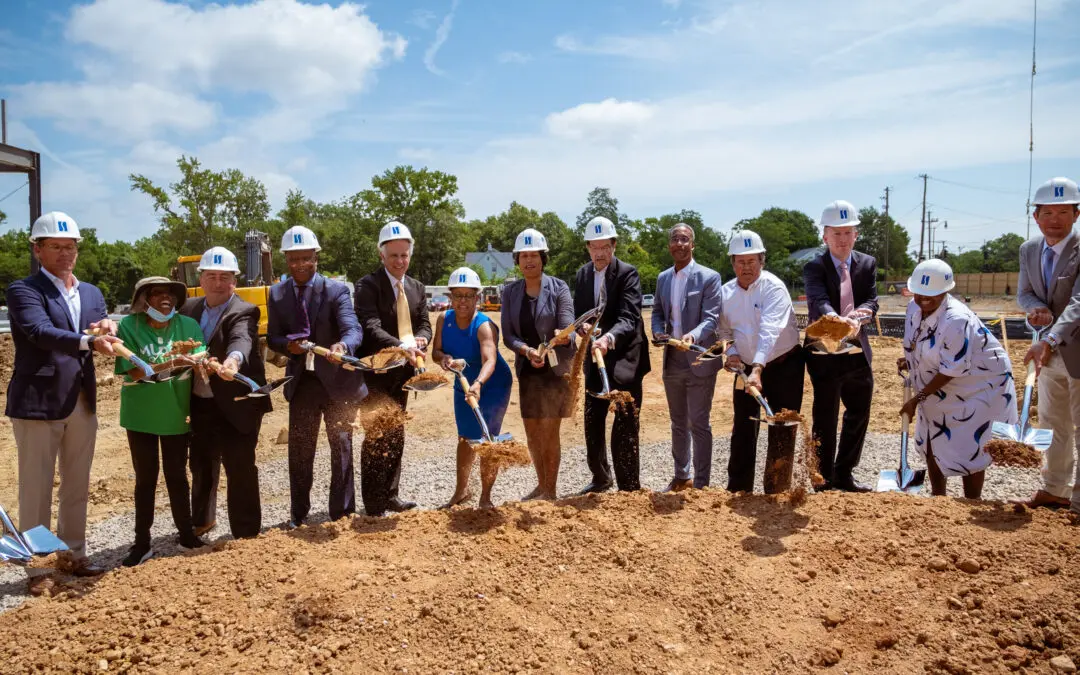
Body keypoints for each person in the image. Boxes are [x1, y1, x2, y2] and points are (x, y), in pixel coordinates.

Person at [6, 212, 121, 593]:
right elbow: (39, 331)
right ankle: (38, 570)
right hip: (39, 402)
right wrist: (89, 341)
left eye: (69, 247)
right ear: (38, 250)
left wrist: (108, 327)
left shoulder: (90, 292)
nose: (64, 253)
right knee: (36, 487)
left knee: (76, 483)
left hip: (81, 400)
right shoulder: (24, 290)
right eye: (54, 247)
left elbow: (100, 322)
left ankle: (73, 556)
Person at [267, 226, 366, 528]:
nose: (299, 265)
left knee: (342, 447)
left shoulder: (336, 291)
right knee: (300, 449)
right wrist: (288, 345)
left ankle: (342, 512)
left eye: (306, 258)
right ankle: (298, 514)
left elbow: (353, 328)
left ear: (316, 258)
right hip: (303, 384)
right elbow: (272, 337)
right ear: (286, 259)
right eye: (293, 259)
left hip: (337, 382)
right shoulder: (277, 293)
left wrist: (342, 346)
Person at [899, 259, 1017, 499]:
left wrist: (916, 400)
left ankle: (971, 500)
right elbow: (917, 340)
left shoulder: (956, 319)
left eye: (932, 295)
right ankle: (938, 499)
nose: (924, 300)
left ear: (946, 291)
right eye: (920, 293)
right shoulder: (913, 307)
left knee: (969, 442)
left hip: (979, 384)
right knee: (932, 433)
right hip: (940, 382)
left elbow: (951, 369)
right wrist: (909, 359)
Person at [115, 276, 207, 566]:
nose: (165, 299)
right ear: (143, 300)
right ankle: (142, 542)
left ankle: (186, 534)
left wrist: (201, 359)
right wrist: (172, 363)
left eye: (170, 294)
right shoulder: (129, 327)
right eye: (156, 294)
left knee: (177, 476)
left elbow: (200, 353)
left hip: (175, 412)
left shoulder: (188, 326)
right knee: (145, 479)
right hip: (141, 415)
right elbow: (134, 373)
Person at [181, 246, 271, 540]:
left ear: (235, 280)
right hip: (201, 403)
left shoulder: (243, 310)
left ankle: (245, 534)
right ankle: (202, 522)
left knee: (240, 465)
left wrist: (233, 361)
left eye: (225, 277)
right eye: (212, 276)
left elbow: (241, 339)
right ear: (201, 279)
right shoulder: (189, 309)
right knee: (201, 464)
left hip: (237, 404)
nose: (218, 283)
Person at [718, 230, 805, 493]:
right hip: (745, 368)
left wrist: (757, 369)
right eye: (741, 262)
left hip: (782, 365)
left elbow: (769, 331)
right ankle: (739, 488)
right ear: (733, 263)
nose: (747, 267)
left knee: (781, 426)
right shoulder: (725, 293)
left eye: (752, 261)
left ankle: (776, 490)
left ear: (762, 260)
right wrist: (731, 352)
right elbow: (723, 331)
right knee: (743, 427)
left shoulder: (774, 288)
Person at [354, 221, 432, 516]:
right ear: (381, 255)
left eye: (405, 256)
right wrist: (401, 345)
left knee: (396, 433)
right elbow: (370, 327)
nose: (400, 262)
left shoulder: (416, 288)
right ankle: (373, 504)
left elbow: (423, 322)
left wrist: (423, 338)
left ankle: (391, 495)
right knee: (376, 435)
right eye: (394, 256)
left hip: (404, 374)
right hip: (375, 373)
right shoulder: (367, 286)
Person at [803, 201, 878, 492]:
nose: (843, 239)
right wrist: (834, 318)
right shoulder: (814, 266)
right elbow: (817, 298)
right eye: (837, 233)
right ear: (825, 236)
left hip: (857, 348)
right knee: (826, 412)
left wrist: (864, 313)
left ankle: (845, 472)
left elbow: (872, 298)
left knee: (859, 410)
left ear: (856, 234)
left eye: (848, 233)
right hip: (824, 349)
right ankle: (823, 478)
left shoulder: (868, 264)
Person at [574, 216, 651, 494]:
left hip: (626, 359)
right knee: (592, 423)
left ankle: (629, 487)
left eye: (605, 247)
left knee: (626, 425)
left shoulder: (628, 274)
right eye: (594, 247)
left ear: (614, 245)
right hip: (595, 359)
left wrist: (608, 337)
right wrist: (583, 327)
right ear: (587, 248)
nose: (600, 253)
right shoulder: (583, 275)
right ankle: (600, 477)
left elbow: (629, 317)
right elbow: (581, 313)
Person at [1016, 176, 1080, 512]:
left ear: (1076, 215)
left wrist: (1051, 338)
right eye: (1048, 212)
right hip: (1046, 354)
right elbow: (1024, 292)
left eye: (1063, 212)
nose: (1055, 219)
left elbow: (1079, 301)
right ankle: (1055, 488)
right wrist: (1034, 309)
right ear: (1036, 216)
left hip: (1073, 350)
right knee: (1053, 423)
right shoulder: (1029, 250)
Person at [500, 228, 576, 500]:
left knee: (549, 429)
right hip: (528, 369)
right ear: (517, 260)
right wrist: (525, 349)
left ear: (543, 258)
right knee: (532, 430)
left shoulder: (559, 288)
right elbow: (508, 334)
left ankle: (551, 490)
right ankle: (541, 483)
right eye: (524, 255)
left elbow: (567, 325)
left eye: (534, 255)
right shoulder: (509, 292)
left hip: (554, 370)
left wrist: (561, 337)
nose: (529, 260)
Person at [432, 267, 513, 508]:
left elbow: (490, 359)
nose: (463, 301)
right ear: (451, 297)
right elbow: (436, 352)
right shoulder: (443, 320)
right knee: (465, 438)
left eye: (469, 295)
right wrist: (444, 358)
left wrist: (478, 384)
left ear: (477, 297)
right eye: (458, 295)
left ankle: (486, 497)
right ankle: (461, 492)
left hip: (492, 384)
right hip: (464, 381)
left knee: (488, 440)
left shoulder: (484, 325)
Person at [651, 223, 723, 491]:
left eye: (685, 239)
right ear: (670, 245)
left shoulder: (709, 277)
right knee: (678, 422)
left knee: (699, 422)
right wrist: (658, 332)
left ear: (693, 245)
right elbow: (658, 312)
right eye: (675, 239)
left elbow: (711, 318)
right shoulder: (663, 279)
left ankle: (702, 483)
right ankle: (682, 476)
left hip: (699, 359)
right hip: (673, 361)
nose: (679, 243)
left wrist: (692, 336)